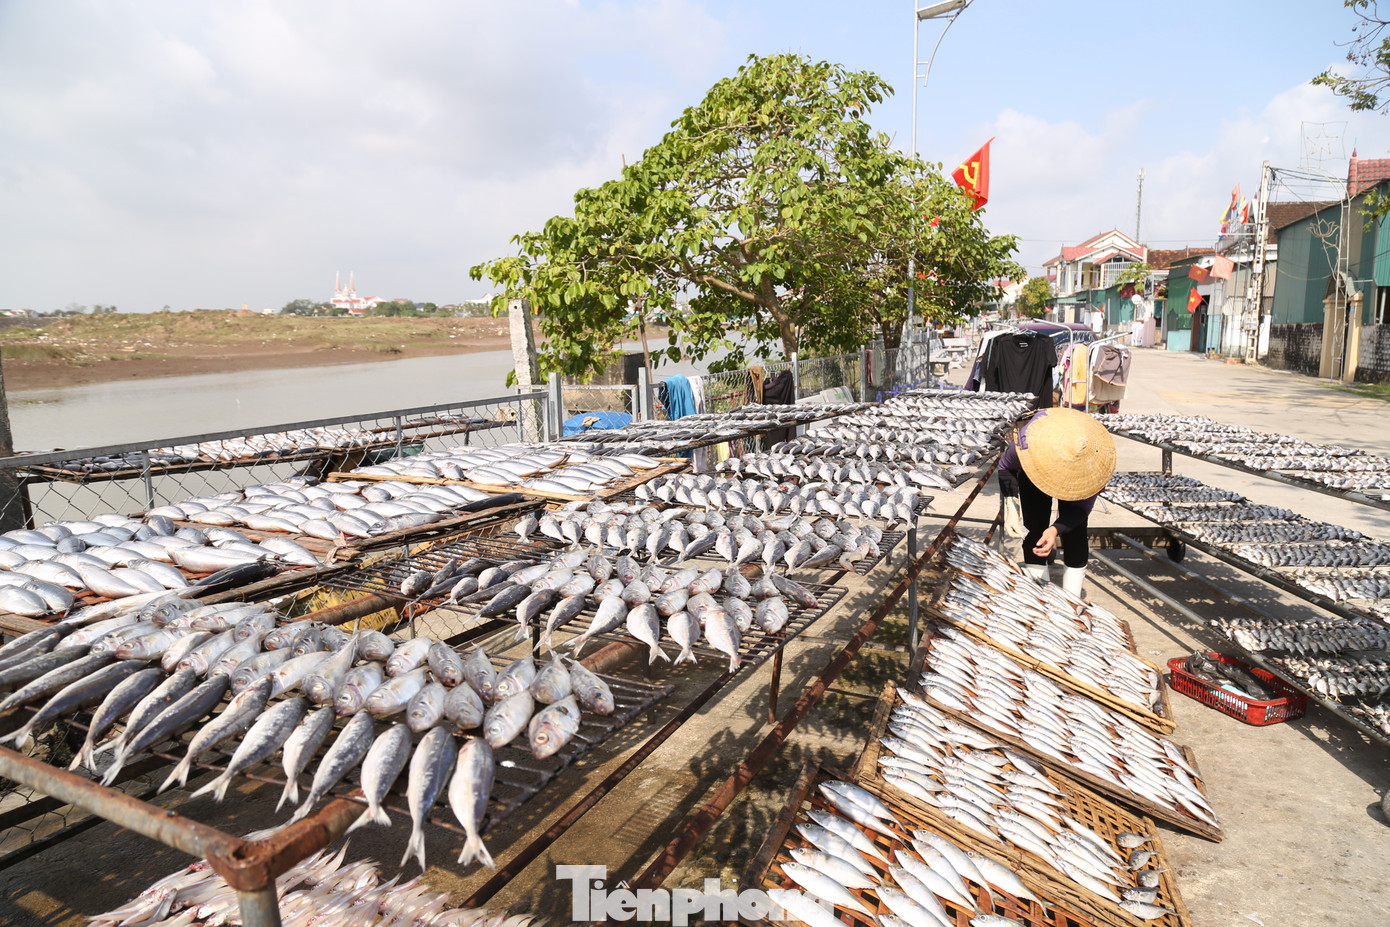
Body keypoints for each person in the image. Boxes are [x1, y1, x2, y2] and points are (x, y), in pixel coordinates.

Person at [998, 407, 1116, 598]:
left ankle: (1071, 600)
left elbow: (1080, 511)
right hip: (1038, 463)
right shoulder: (1029, 441)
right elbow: (1005, 467)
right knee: (1035, 527)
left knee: (1075, 532)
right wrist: (1011, 504)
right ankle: (1038, 594)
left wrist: (1055, 530)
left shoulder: (1095, 463)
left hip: (1080, 474)